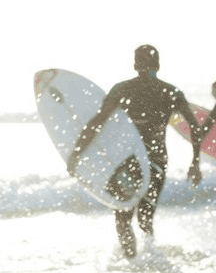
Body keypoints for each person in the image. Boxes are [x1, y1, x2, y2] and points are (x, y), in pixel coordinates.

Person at [67, 45, 206, 258]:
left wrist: (77, 153)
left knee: (123, 217)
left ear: (134, 64)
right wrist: (195, 163)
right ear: (158, 65)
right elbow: (195, 127)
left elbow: (97, 122)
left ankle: (132, 261)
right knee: (145, 218)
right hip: (157, 161)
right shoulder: (171, 92)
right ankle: (151, 261)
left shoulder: (122, 90)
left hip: (128, 161)